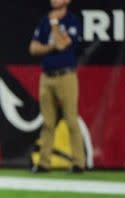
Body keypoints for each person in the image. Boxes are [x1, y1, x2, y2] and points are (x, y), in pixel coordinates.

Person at [29, 0, 84, 173]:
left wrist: (54, 24)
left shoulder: (72, 20)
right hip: (47, 77)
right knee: (48, 122)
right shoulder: (45, 20)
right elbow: (33, 48)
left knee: (71, 119)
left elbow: (62, 44)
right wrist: (52, 45)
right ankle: (44, 163)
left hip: (66, 76)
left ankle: (78, 163)